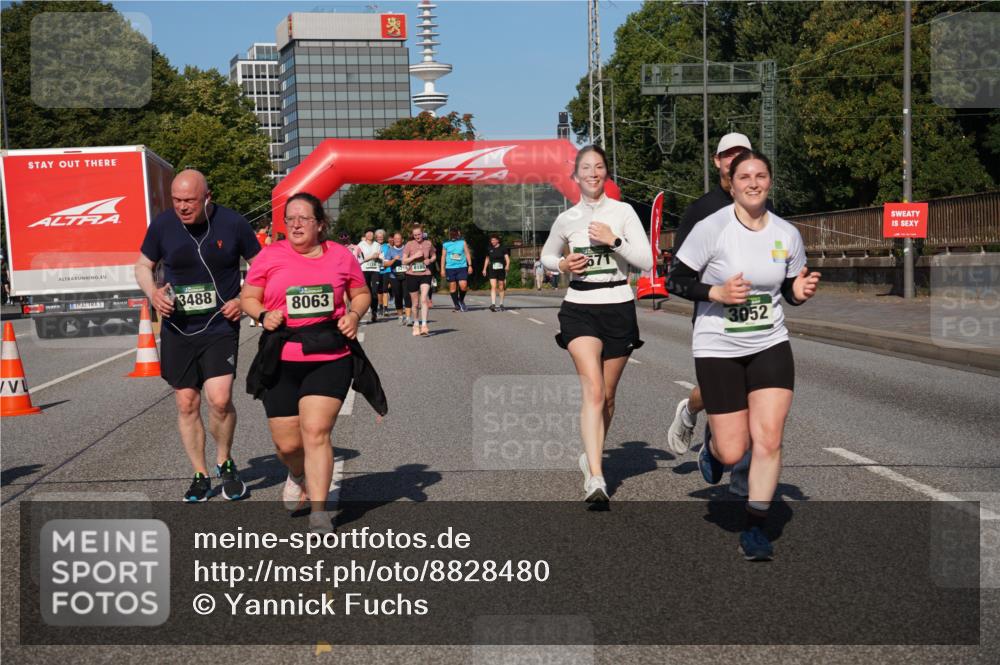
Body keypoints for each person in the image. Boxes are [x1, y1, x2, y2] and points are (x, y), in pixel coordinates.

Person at [670, 151, 820, 560]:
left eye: (761, 175)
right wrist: (715, 292)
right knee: (733, 451)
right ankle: (713, 444)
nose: (753, 183)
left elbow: (788, 287)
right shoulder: (712, 229)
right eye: (744, 177)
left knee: (769, 438)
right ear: (731, 184)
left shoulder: (787, 233)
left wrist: (799, 293)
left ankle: (755, 528)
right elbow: (675, 281)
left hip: (770, 343)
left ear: (770, 181)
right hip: (718, 347)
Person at [240, 192, 375, 533]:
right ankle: (297, 472)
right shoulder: (270, 255)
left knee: (316, 432)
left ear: (320, 224)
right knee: (287, 444)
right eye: (290, 219)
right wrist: (262, 314)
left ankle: (319, 512)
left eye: (304, 218)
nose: (296, 224)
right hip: (281, 356)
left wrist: (354, 315)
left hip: (329, 355)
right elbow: (248, 297)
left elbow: (361, 293)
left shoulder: (340, 256)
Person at [134, 169, 259, 502]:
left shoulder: (233, 223)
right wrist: (153, 293)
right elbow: (142, 265)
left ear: (207, 197)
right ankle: (200, 474)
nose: (182, 207)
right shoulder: (163, 225)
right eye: (176, 200)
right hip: (178, 327)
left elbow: (262, 266)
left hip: (219, 325)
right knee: (187, 402)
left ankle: (225, 462)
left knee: (220, 399)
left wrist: (243, 300)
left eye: (189, 200)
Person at [541, 145, 653, 502]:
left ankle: (590, 455)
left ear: (606, 173)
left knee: (607, 396)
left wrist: (614, 240)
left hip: (618, 306)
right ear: (575, 176)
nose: (592, 173)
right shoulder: (567, 219)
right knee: (592, 390)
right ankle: (596, 476)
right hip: (579, 308)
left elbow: (647, 261)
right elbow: (546, 255)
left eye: (599, 167)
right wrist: (562, 265)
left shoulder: (623, 212)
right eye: (586, 168)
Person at [666, 133, 773, 497]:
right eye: (728, 156)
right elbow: (679, 274)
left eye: (741, 154)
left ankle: (743, 483)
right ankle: (693, 413)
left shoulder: (764, 204)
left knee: (752, 397)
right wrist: (715, 290)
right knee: (726, 394)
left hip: (757, 318)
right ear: (717, 162)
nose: (734, 161)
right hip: (714, 319)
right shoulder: (701, 210)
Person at [404, 224, 436, 336]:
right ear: (413, 235)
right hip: (411, 275)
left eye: (419, 234)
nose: (417, 236)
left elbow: (434, 255)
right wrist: (414, 256)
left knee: (423, 299)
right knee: (415, 303)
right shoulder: (409, 244)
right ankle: (416, 323)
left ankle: (424, 325)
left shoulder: (428, 243)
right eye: (415, 235)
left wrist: (430, 260)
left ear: (423, 233)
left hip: (425, 274)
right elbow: (404, 261)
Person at [441, 227, 473, 312]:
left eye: (455, 234)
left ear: (458, 234)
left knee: (463, 286)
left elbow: (467, 253)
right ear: (449, 235)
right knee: (453, 287)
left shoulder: (462, 242)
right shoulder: (445, 244)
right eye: (451, 234)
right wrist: (442, 269)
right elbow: (443, 256)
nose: (453, 236)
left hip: (462, 267)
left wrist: (470, 265)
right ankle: (456, 305)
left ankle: (461, 300)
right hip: (450, 268)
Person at [383, 232, 411, 325]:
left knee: (407, 296)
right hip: (394, 276)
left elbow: (412, 260)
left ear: (402, 240)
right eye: (395, 239)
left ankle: (408, 318)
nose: (397, 240)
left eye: (399, 239)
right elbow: (385, 264)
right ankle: (400, 317)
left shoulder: (407, 248)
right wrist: (394, 259)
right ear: (393, 240)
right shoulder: (390, 250)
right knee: (398, 296)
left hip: (406, 275)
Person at [356, 228, 383, 323]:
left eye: (371, 233)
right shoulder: (360, 245)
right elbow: (359, 260)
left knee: (374, 291)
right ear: (365, 235)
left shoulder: (377, 245)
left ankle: (374, 312)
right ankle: (364, 310)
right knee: (366, 292)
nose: (370, 235)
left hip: (375, 270)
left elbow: (382, 259)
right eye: (368, 233)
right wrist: (371, 257)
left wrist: (378, 257)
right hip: (364, 270)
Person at [482, 235, 510, 312]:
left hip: (501, 270)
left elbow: (507, 259)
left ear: (498, 240)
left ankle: (501, 304)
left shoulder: (503, 248)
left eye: (494, 240)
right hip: (492, 269)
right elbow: (487, 259)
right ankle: (493, 304)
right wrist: (484, 269)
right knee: (493, 286)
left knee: (501, 286)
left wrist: (507, 265)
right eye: (491, 240)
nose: (492, 242)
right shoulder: (489, 248)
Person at [376, 229, 392, 317]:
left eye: (381, 237)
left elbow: (390, 257)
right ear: (376, 238)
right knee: (379, 290)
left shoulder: (387, 246)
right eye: (378, 237)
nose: (380, 238)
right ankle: (380, 306)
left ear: (384, 237)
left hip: (386, 270)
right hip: (377, 270)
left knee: (385, 289)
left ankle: (386, 308)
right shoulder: (374, 246)